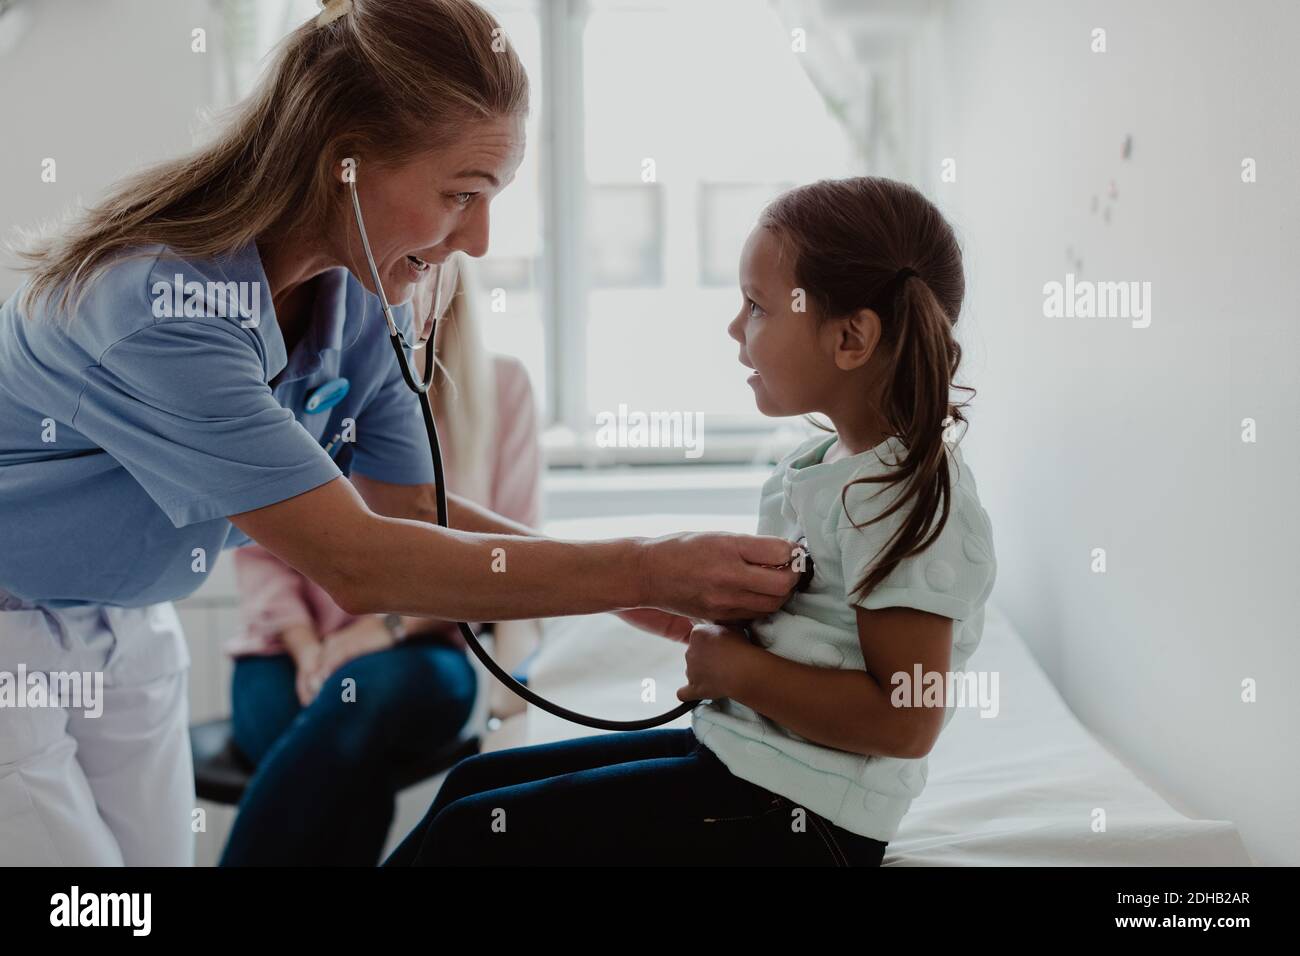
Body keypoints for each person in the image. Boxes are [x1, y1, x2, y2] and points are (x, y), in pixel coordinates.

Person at [0, 0, 796, 866]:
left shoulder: (363, 299)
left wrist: (639, 594)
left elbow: (414, 506)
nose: (482, 240)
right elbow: (360, 562)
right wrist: (647, 561)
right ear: (341, 162)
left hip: (126, 617)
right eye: (462, 195)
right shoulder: (162, 305)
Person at [385, 177, 998, 867]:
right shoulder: (824, 467)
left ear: (852, 336)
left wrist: (739, 673)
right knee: (474, 784)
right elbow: (814, 637)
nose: (736, 328)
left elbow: (905, 720)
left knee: (475, 833)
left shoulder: (905, 497)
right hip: (748, 766)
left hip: (805, 820)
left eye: (757, 307)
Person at [220, 265, 542, 866]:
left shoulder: (503, 388)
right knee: (345, 759)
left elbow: (509, 563)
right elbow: (258, 549)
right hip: (288, 653)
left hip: (424, 654)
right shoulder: (299, 382)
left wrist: (378, 632)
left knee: (355, 711)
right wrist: (308, 648)